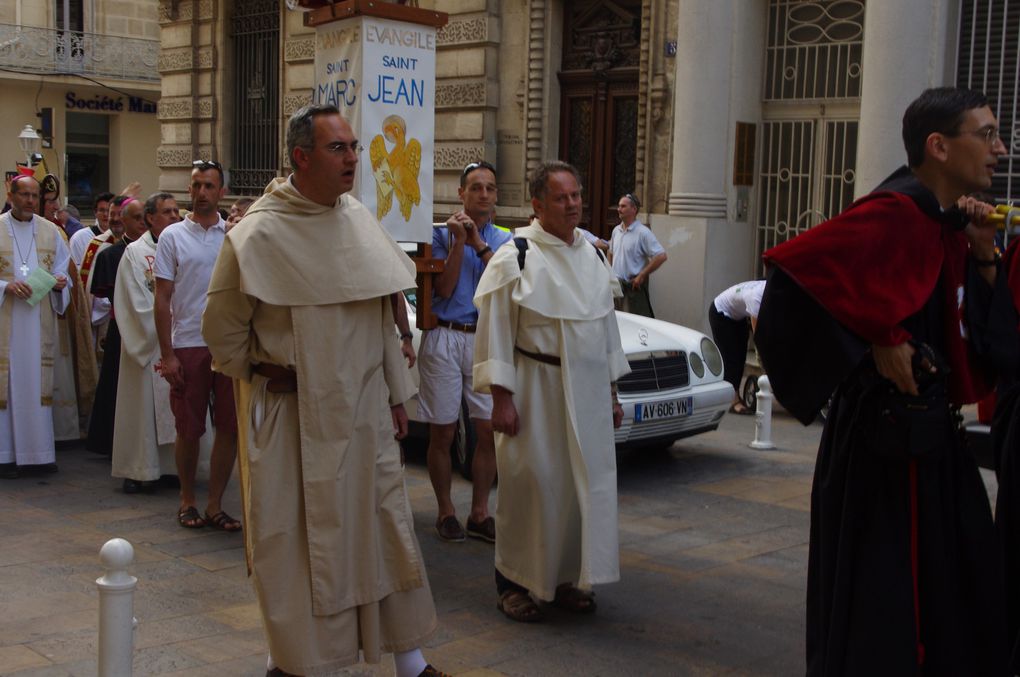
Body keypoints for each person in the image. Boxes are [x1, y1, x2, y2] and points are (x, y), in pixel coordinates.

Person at [755, 87, 1014, 674]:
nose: (999, 149)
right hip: (880, 447)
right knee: (885, 598)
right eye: (988, 134)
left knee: (956, 581)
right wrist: (877, 336)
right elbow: (795, 276)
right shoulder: (893, 212)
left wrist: (982, 256)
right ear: (939, 146)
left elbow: (969, 334)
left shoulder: (950, 225)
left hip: (933, 442)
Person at [202, 103, 446, 677]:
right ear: (300, 157)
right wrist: (277, 378)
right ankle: (290, 663)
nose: (353, 159)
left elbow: (379, 318)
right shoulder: (257, 233)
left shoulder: (359, 220)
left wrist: (393, 394)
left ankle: (410, 661)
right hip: (294, 417)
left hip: (362, 416)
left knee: (381, 532)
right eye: (339, 149)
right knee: (292, 545)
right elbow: (224, 332)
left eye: (355, 147)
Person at [472, 160, 630, 623]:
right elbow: (496, 330)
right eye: (561, 198)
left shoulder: (595, 256)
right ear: (538, 205)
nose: (573, 204)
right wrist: (501, 398)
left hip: (586, 392)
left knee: (579, 488)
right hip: (534, 389)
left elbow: (607, 330)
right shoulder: (516, 256)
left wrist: (613, 392)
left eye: (577, 195)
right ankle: (515, 583)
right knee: (532, 485)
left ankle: (564, 580)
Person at [419, 160, 511, 543]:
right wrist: (459, 242)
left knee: (487, 430)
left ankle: (479, 511)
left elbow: (506, 284)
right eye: (476, 188)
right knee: (442, 431)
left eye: (489, 188)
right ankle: (445, 510)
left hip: (483, 336)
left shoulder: (504, 238)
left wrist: (478, 243)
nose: (484, 195)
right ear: (461, 193)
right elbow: (442, 289)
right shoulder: (441, 233)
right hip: (444, 335)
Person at [154, 160, 240, 531]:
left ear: (221, 191)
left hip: (228, 344)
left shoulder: (235, 234)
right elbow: (162, 298)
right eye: (196, 185)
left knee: (229, 427)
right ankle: (187, 498)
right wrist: (168, 354)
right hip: (188, 343)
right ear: (189, 190)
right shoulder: (172, 236)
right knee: (188, 428)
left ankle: (216, 504)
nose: (202, 192)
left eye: (209, 186)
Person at [0, 176, 71, 478]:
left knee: (34, 382)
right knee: (7, 382)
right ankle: (4, 454)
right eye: (25, 195)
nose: (30, 200)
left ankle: (38, 454)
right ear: (11, 194)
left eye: (34, 195)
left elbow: (61, 269)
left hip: (38, 319)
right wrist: (5, 286)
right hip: (6, 322)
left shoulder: (50, 231)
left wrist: (59, 284)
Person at [110, 194, 180, 493]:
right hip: (148, 342)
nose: (175, 216)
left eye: (177, 211)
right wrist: (168, 323)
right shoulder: (135, 254)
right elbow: (135, 302)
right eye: (167, 212)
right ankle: (140, 469)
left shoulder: (180, 246)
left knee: (175, 405)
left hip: (178, 339)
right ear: (150, 218)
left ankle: (173, 468)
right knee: (143, 407)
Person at [85, 195, 133, 456]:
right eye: (112, 215)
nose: (114, 219)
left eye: (119, 214)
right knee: (113, 383)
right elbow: (96, 295)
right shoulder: (105, 252)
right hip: (115, 327)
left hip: (147, 330)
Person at [709, 280, 765, 415]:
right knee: (732, 357)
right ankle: (733, 402)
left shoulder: (768, 289)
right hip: (720, 313)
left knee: (741, 356)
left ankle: (733, 394)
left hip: (738, 316)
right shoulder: (756, 296)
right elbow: (759, 334)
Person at [608, 192, 666, 317]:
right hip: (616, 288)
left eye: (623, 206)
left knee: (634, 327)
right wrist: (609, 273)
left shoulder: (643, 233)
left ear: (633, 209)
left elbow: (661, 256)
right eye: (619, 206)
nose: (619, 209)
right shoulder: (616, 231)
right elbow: (611, 252)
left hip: (632, 290)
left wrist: (642, 275)